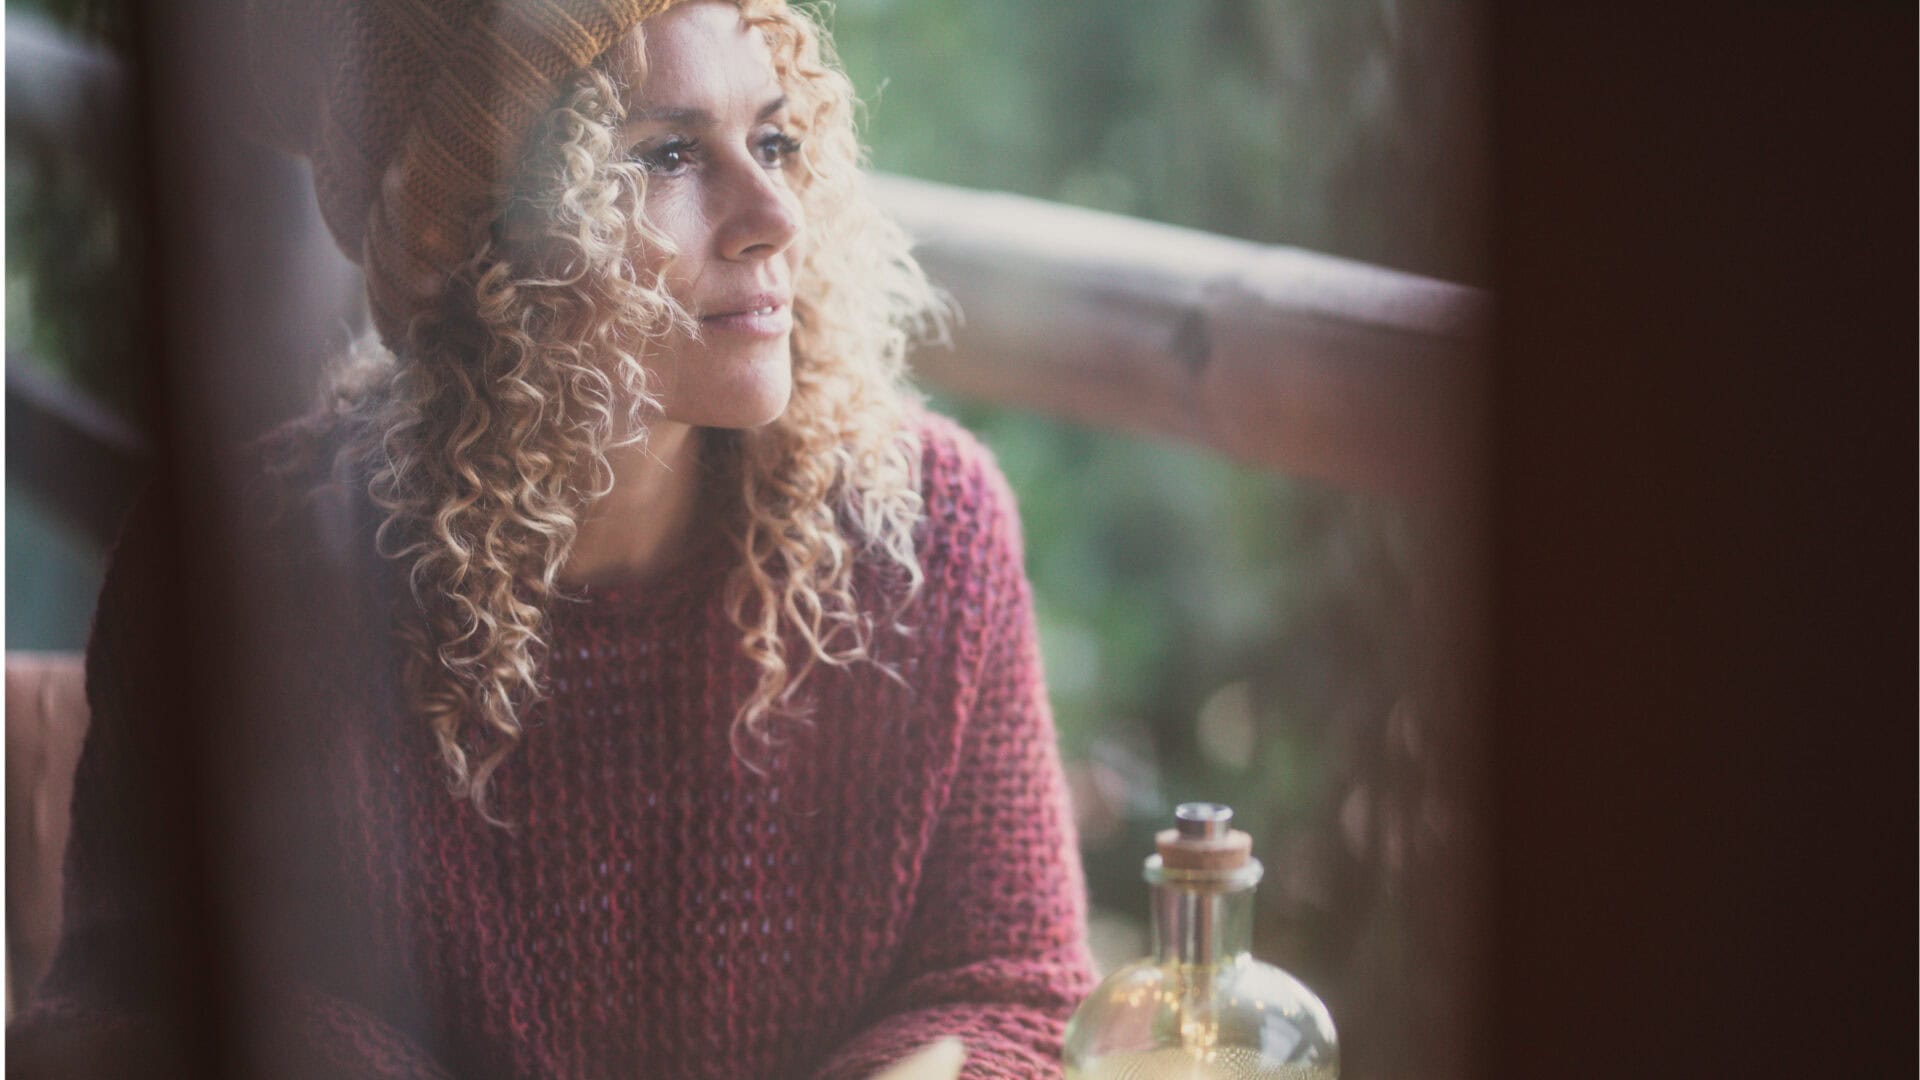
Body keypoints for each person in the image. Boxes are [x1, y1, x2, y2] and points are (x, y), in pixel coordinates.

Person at [9, 0, 1096, 1076]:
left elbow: (1002, 980)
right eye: (668, 153)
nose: (774, 213)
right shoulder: (232, 571)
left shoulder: (926, 530)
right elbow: (114, 1013)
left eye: (774, 139)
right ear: (482, 231)